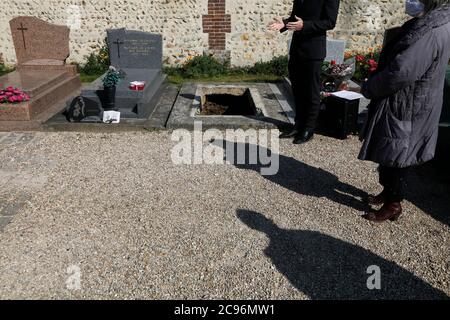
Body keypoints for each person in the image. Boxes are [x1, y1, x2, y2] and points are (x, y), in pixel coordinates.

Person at [359, 0, 450, 222]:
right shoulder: (437, 21)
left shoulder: (432, 30)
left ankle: (394, 203)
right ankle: (388, 192)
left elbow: (401, 71)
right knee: (391, 148)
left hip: (408, 103)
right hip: (413, 100)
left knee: (398, 153)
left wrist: (370, 87)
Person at [269, 0, 340, 144]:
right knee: (298, 89)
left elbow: (330, 22)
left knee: (311, 91)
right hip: (297, 49)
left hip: (313, 50)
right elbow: (296, 18)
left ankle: (309, 128)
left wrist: (305, 25)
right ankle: (298, 125)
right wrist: (284, 24)